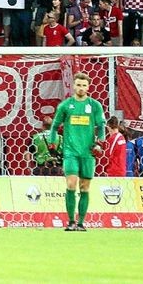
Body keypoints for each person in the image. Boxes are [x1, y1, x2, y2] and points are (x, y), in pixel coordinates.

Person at [49, 73, 106, 231]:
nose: (81, 88)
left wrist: (100, 143)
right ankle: (71, 222)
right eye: (78, 85)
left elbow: (101, 126)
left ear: (88, 87)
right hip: (70, 152)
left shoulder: (94, 106)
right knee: (71, 183)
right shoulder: (65, 106)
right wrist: (53, 144)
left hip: (87, 153)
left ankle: (81, 222)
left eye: (84, 85)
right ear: (74, 86)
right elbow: (54, 127)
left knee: (85, 187)